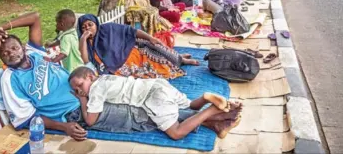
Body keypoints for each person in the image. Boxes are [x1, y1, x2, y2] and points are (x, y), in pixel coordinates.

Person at [0, 12, 162, 141]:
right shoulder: (10, 79)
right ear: (1, 58)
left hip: (92, 87)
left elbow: (35, 17)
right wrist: (63, 127)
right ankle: (183, 122)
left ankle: (181, 112)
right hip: (77, 111)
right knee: (138, 116)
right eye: (5, 53)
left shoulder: (34, 52)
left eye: (14, 48)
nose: (11, 54)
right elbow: (27, 119)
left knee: (140, 95)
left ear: (22, 46)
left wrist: (2, 28)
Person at [69, 66, 243, 140]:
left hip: (152, 98)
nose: (80, 91)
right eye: (76, 90)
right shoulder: (105, 77)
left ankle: (211, 110)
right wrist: (84, 92)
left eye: (80, 85)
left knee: (176, 133)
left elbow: (91, 120)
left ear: (91, 77)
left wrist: (83, 99)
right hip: (156, 84)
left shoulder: (96, 89)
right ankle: (205, 98)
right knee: (188, 105)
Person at [77, 13, 199, 79]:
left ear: (96, 24)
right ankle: (179, 58)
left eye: (90, 24)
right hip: (120, 68)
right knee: (159, 67)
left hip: (133, 51)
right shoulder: (86, 43)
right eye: (84, 27)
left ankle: (181, 59)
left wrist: (151, 38)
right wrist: (83, 39)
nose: (88, 28)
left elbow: (132, 32)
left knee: (154, 47)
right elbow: (86, 61)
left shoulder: (108, 29)